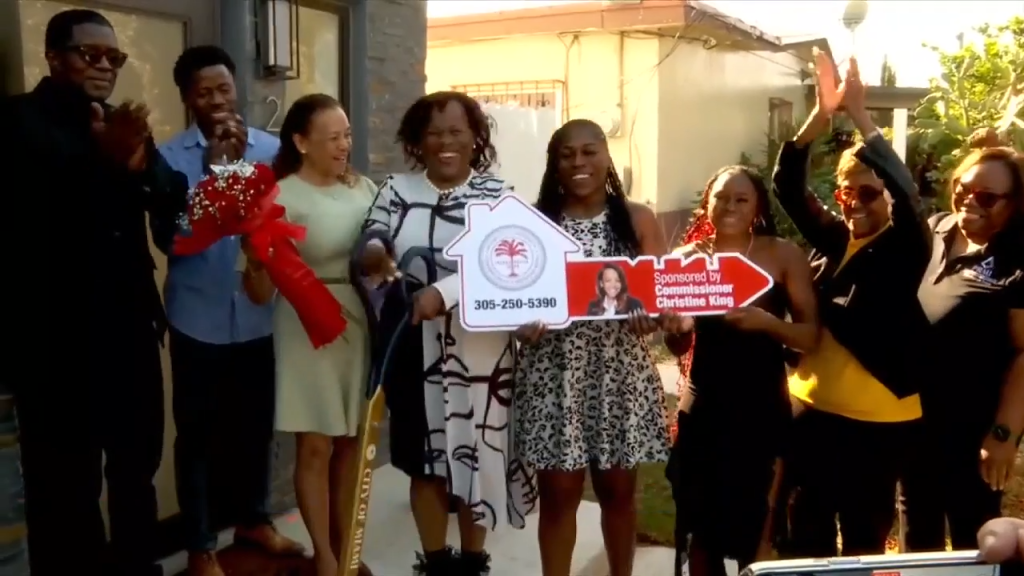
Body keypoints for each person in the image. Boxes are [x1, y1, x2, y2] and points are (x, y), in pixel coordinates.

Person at [3, 9, 188, 575]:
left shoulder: (119, 123)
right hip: (53, 341)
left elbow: (173, 196)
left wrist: (141, 164)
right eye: (91, 54)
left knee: (136, 472)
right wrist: (101, 157)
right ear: (54, 57)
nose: (106, 66)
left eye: (115, 57)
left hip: (129, 331)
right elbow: (36, 203)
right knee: (64, 485)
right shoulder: (17, 122)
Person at [359, 91, 536, 576]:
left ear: (476, 137)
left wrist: (445, 291)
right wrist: (374, 252)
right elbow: (373, 239)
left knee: (477, 455)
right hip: (413, 345)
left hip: (481, 351)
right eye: (433, 133)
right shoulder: (395, 189)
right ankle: (435, 563)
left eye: (456, 131)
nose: (445, 142)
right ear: (417, 141)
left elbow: (511, 265)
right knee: (424, 462)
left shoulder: (498, 195)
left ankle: (474, 562)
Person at [772, 52, 930, 558]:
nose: (856, 203)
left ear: (886, 197)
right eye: (846, 194)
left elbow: (909, 199)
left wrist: (861, 116)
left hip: (876, 423)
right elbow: (786, 186)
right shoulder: (835, 241)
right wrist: (821, 116)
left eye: (868, 193)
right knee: (803, 540)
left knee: (862, 543)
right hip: (810, 410)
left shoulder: (905, 248)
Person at [513, 118, 683, 576]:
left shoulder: (637, 218)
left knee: (618, 494)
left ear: (607, 156)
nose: (579, 162)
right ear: (554, 164)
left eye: (589, 151)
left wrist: (649, 318)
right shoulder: (535, 220)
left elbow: (656, 297)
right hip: (555, 372)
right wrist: (521, 324)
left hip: (618, 371)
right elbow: (513, 297)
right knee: (558, 497)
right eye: (567, 154)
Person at [159, 45, 303, 576]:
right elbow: (173, 240)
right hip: (196, 318)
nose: (217, 100)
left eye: (224, 88)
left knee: (256, 428)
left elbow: (291, 219)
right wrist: (215, 175)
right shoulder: (169, 158)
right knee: (197, 437)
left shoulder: (272, 150)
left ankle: (253, 521)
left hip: (259, 315)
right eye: (204, 93)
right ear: (187, 99)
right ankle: (201, 545)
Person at [239, 93, 375, 576]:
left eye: (347, 135)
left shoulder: (363, 188)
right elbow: (258, 293)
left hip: (361, 318)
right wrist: (255, 260)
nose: (344, 146)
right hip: (306, 326)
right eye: (332, 137)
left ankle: (348, 547)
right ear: (301, 142)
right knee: (316, 445)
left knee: (352, 442)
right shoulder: (280, 197)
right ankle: (325, 556)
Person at [664, 165, 819, 576]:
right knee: (701, 534)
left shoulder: (782, 254)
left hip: (761, 410)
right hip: (703, 409)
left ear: (757, 208)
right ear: (707, 203)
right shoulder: (686, 260)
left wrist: (767, 323)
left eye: (741, 199)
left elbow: (810, 337)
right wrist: (677, 329)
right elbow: (676, 343)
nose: (729, 206)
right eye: (720, 197)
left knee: (757, 535)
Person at [900, 145, 1023, 551]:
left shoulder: (1016, 261)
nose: (970, 201)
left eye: (987, 197)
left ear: (1015, 203)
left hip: (974, 434)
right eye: (963, 189)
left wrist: (1004, 434)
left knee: (977, 543)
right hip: (914, 424)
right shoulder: (938, 228)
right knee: (918, 542)